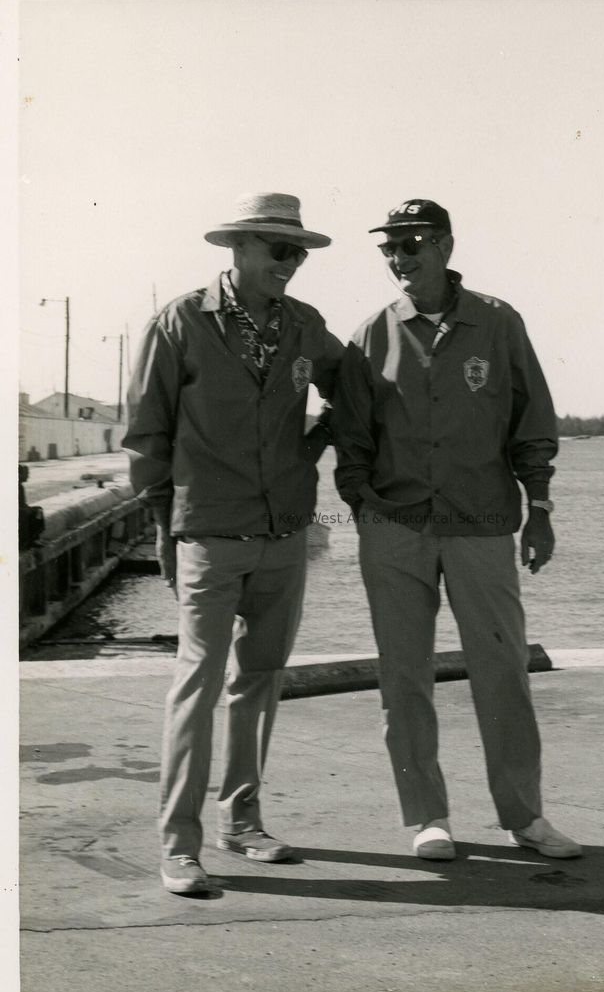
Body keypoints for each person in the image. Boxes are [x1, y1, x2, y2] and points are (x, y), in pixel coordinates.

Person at [333, 198, 581, 862]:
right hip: (395, 529)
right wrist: (363, 508)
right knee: (404, 675)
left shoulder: (499, 324)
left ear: (444, 244)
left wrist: (542, 510)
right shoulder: (370, 335)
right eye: (388, 248)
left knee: (502, 669)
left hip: (483, 525)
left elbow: (532, 422)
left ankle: (524, 816)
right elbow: (352, 437)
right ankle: (427, 816)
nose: (399, 258)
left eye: (411, 243)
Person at [124, 192, 344, 895]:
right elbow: (146, 438)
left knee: (261, 681)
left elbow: (358, 389)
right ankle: (179, 845)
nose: (293, 262)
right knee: (196, 686)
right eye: (281, 249)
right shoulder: (181, 323)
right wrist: (164, 527)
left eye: (300, 252)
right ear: (239, 248)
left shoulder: (307, 327)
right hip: (209, 535)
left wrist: (313, 446)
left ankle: (241, 822)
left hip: (286, 536)